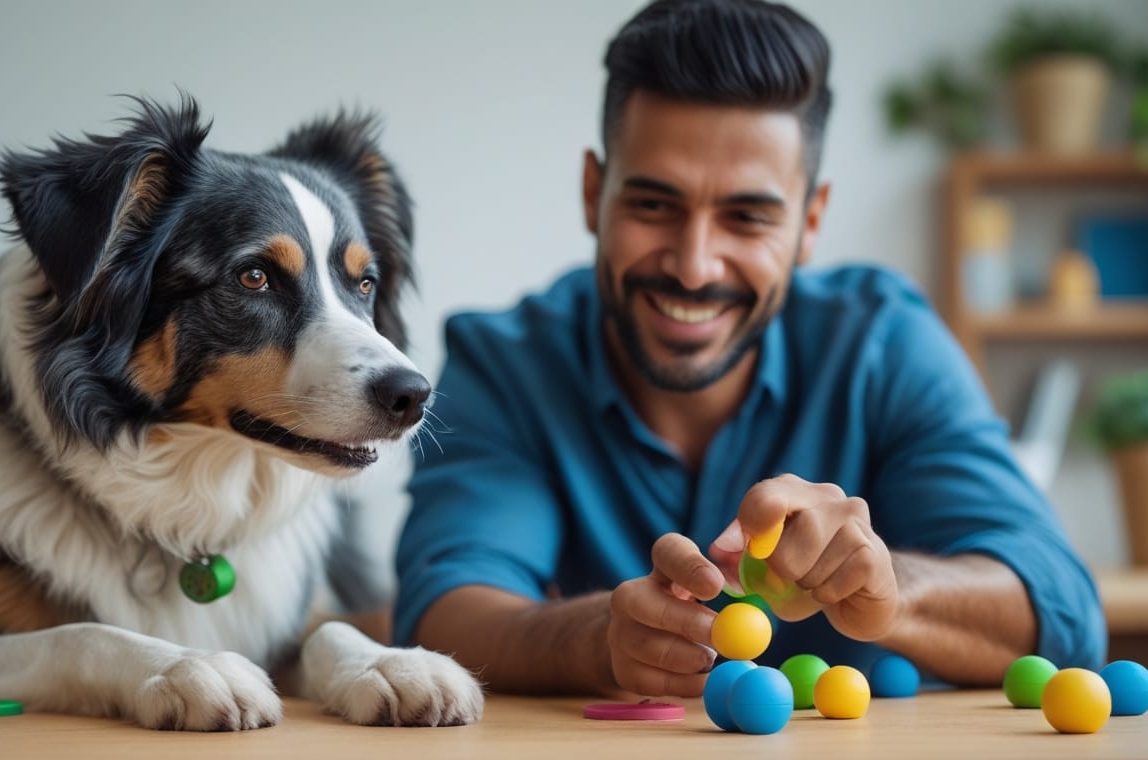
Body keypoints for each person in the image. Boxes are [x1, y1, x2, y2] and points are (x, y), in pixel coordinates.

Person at [393, 0, 1105, 698]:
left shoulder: (883, 342)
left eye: (747, 217)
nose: (695, 265)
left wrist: (893, 593)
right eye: (653, 205)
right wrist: (599, 639)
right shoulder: (505, 363)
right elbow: (442, 612)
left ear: (810, 221)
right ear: (593, 192)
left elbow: (1060, 604)